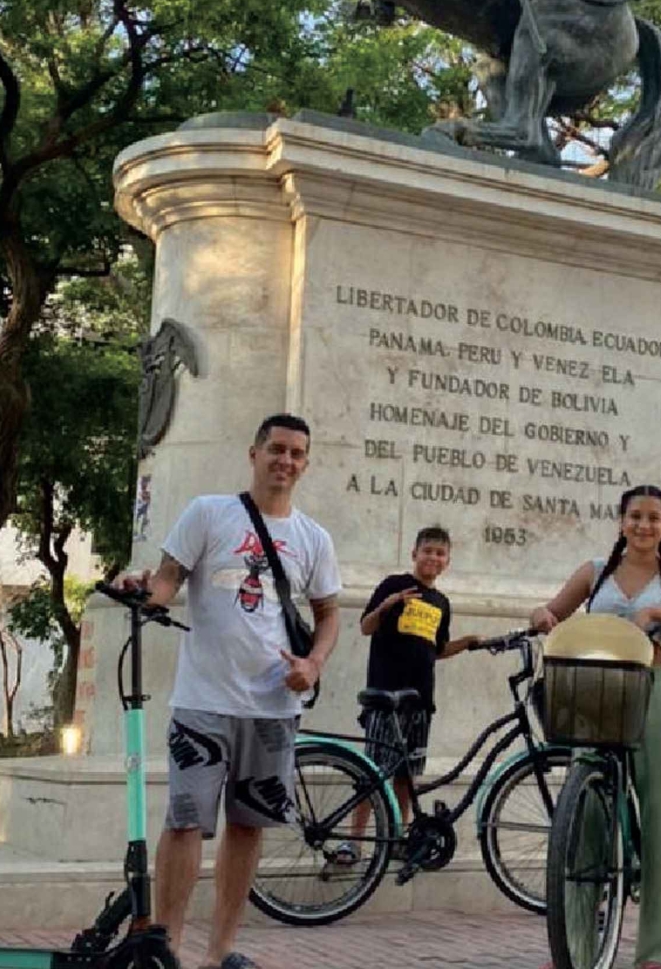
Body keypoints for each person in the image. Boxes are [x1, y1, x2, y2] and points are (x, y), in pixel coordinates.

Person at [133, 413, 342, 969]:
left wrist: (314, 662)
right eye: (276, 449)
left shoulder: (312, 538)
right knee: (183, 823)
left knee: (247, 826)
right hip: (203, 700)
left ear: (306, 463)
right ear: (254, 454)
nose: (286, 461)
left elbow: (328, 614)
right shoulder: (209, 513)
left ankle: (219, 950)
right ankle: (167, 949)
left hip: (273, 705)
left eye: (297, 453)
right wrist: (144, 594)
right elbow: (168, 579)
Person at [530, 485, 661, 969]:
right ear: (621, 521)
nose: (643, 525)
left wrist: (658, 612)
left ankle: (657, 953)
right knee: (584, 828)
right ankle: (572, 946)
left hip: (659, 692)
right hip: (597, 695)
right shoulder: (595, 573)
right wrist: (544, 616)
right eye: (635, 516)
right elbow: (553, 610)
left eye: (654, 518)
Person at [342, 525, 477, 855]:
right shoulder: (394, 584)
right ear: (414, 554)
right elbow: (365, 626)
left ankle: (397, 838)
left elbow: (438, 648)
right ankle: (354, 841)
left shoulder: (441, 602)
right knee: (373, 770)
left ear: (447, 561)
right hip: (387, 696)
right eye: (427, 551)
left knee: (406, 774)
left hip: (420, 700)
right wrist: (387, 605)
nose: (433, 557)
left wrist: (468, 643)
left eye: (440, 553)